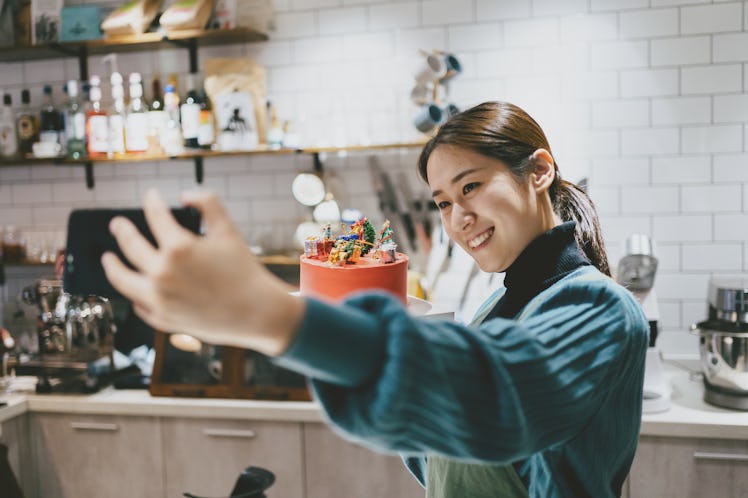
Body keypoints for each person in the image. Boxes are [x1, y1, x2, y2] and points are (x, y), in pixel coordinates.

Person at [102, 101, 648, 498]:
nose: (459, 218)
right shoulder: (498, 308)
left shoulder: (601, 309)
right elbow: (440, 450)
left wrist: (278, 317)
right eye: (442, 202)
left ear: (539, 171)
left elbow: (497, 403)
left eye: (471, 187)